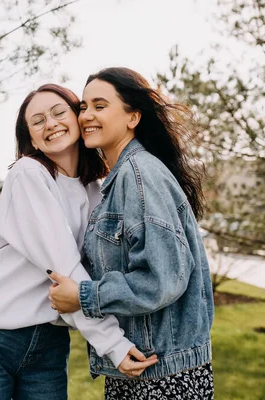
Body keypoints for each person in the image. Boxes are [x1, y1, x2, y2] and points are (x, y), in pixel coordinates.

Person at [0, 84, 158, 400]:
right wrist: (113, 344)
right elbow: (63, 267)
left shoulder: (94, 188)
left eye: (59, 112)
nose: (50, 124)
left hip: (49, 341)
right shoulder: (28, 175)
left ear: (78, 117)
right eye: (37, 121)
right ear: (31, 139)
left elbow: (99, 268)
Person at [48, 68, 215, 399]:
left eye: (100, 105)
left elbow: (162, 277)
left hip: (162, 375)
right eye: (83, 107)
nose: (86, 116)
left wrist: (84, 296)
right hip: (145, 366)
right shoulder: (123, 176)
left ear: (133, 117)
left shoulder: (139, 175)